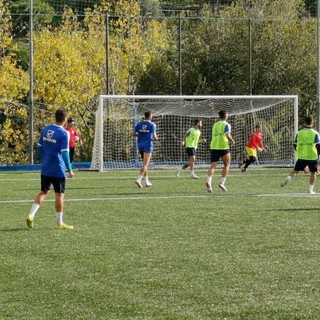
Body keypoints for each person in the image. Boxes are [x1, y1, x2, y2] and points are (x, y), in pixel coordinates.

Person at [26, 109, 74, 229]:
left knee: (44, 191)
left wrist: (45, 158)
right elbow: (65, 153)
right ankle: (59, 223)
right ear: (65, 119)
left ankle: (31, 215)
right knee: (59, 194)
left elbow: (39, 146)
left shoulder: (47, 129)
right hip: (58, 168)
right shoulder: (64, 133)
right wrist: (70, 169)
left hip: (46, 167)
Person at [281, 115, 320, 194]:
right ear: (312, 123)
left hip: (301, 156)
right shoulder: (315, 133)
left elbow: (295, 145)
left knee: (295, 171)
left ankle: (288, 178)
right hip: (312, 157)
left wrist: (299, 152)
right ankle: (310, 190)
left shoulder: (299, 133)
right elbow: (318, 146)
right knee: (313, 173)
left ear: (305, 122)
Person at [206, 110, 235, 193]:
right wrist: (232, 141)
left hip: (214, 146)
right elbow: (227, 134)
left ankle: (209, 180)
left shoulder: (215, 124)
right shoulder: (226, 124)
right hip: (223, 146)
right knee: (227, 164)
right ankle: (222, 183)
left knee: (213, 165)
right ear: (225, 115)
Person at [134, 111, 158, 188]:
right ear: (150, 116)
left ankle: (147, 181)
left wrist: (141, 134)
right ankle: (138, 179)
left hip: (140, 145)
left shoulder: (139, 123)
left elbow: (134, 133)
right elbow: (154, 136)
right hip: (148, 146)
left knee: (144, 164)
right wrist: (157, 139)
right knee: (145, 164)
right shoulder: (152, 124)